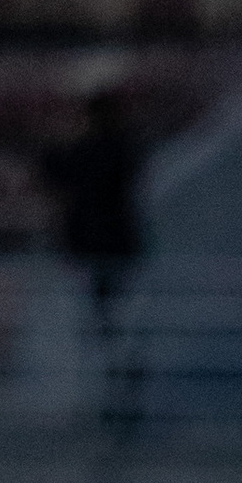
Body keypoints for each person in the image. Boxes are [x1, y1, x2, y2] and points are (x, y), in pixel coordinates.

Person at [40, 88, 142, 323]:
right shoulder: (123, 148)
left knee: (100, 307)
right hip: (108, 239)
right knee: (109, 306)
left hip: (95, 239)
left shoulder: (91, 150)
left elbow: (53, 170)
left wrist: (54, 139)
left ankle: (105, 341)